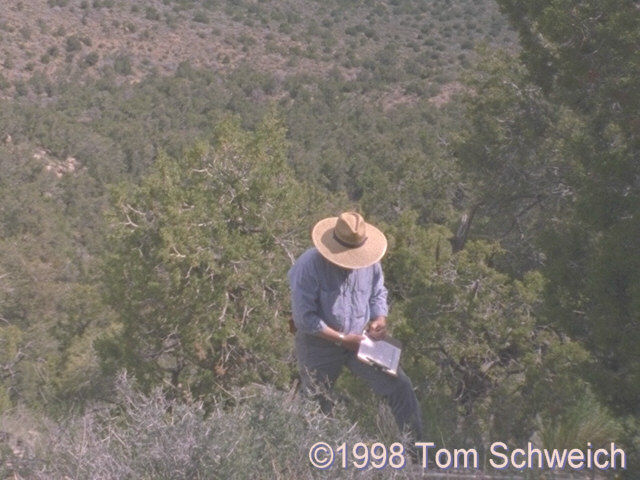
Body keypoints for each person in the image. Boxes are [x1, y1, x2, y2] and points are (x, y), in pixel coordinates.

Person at [288, 211, 424, 444]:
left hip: (360, 340)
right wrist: (341, 339)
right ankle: (309, 462)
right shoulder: (308, 266)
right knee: (316, 402)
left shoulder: (370, 261)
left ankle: (418, 457)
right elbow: (304, 319)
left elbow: (378, 293)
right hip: (319, 344)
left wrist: (380, 319)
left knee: (401, 387)